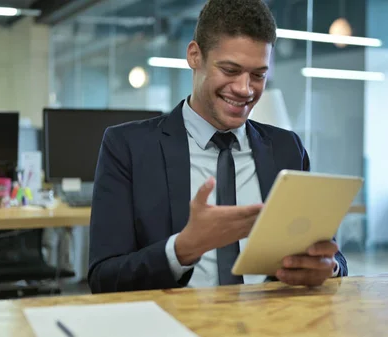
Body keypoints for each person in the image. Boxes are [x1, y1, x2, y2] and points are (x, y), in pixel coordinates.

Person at [87, 0, 347, 294]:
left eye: (258, 75)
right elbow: (103, 278)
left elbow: (331, 255)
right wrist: (182, 249)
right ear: (195, 56)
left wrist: (328, 266)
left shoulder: (287, 148)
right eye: (230, 70)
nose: (245, 89)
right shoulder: (127, 147)